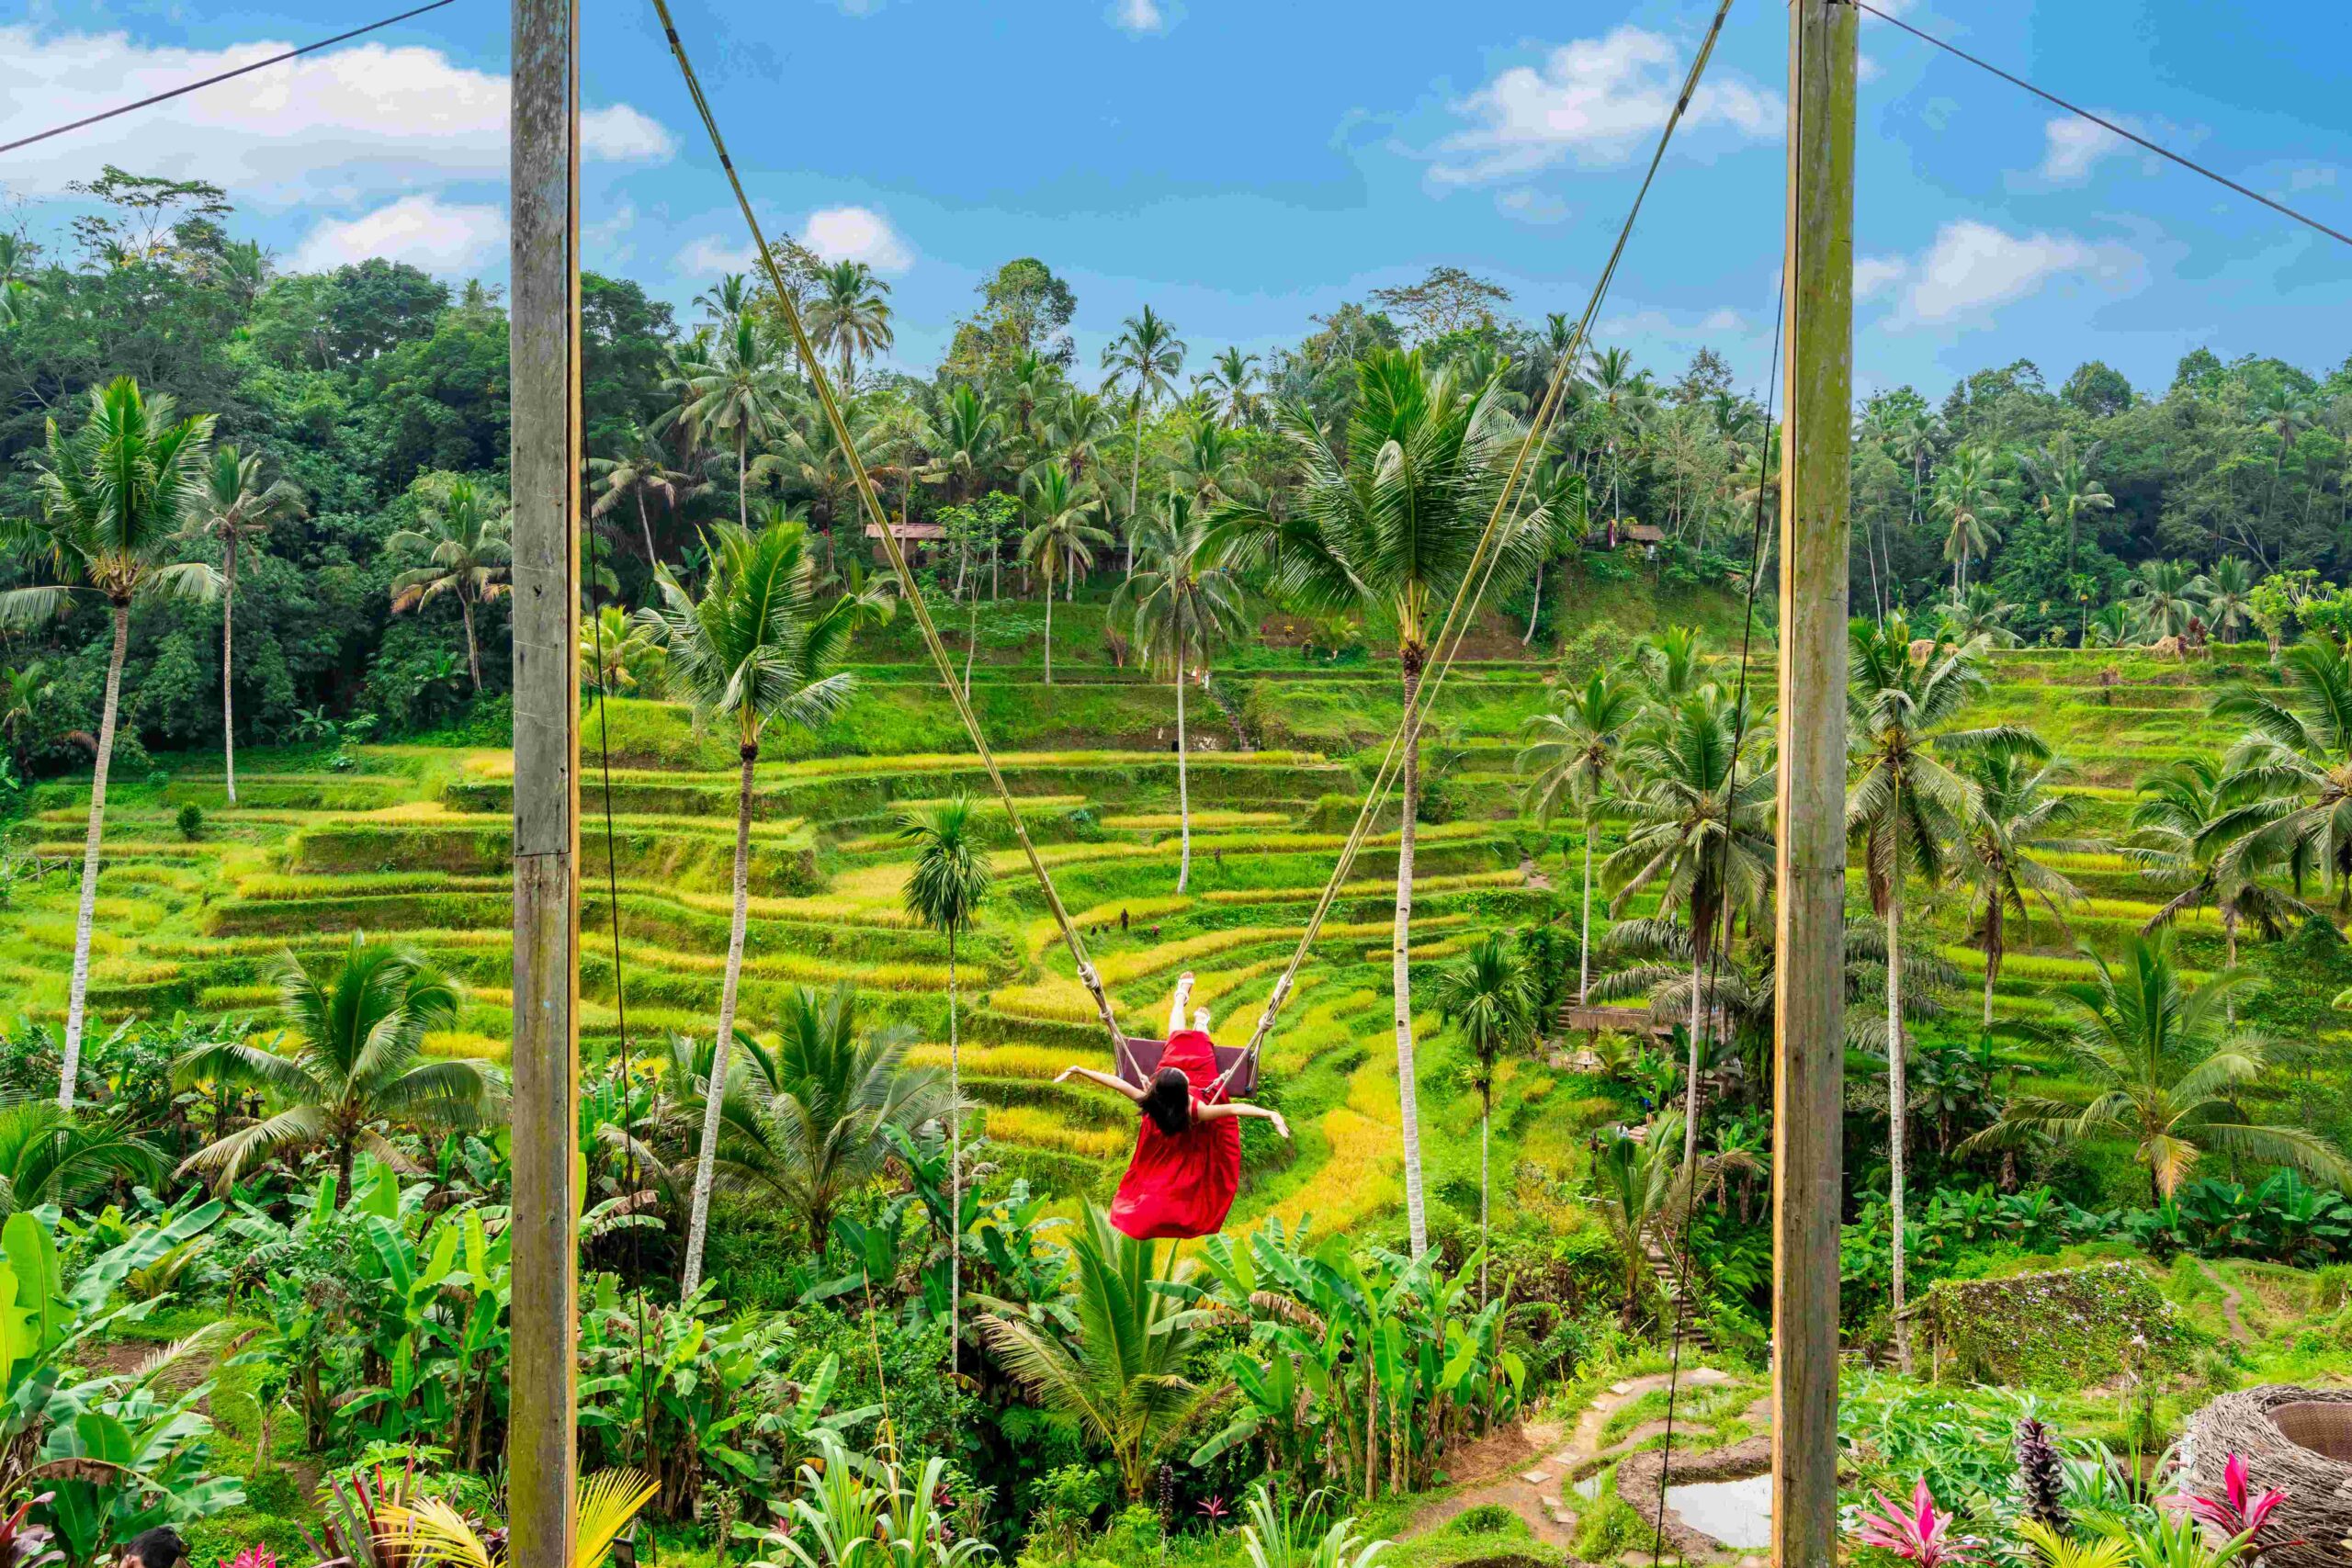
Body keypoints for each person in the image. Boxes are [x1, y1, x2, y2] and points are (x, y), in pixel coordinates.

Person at [1056, 972, 1288, 1240]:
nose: (1183, 1073)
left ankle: (1181, 998)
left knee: (1176, 1039)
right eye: (1182, 1076)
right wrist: (1269, 1113)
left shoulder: (1152, 1097)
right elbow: (1234, 1110)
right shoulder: (1196, 1110)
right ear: (1181, 1089)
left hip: (1174, 1075)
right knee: (1202, 1050)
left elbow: (1114, 1084)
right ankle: (1202, 1024)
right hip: (1206, 1082)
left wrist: (1080, 1070)